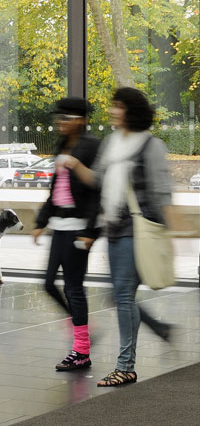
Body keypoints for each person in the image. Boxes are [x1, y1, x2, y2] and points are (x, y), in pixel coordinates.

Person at [63, 87, 175, 387]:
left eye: (118, 106)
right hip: (113, 228)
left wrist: (172, 232)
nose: (112, 110)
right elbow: (99, 180)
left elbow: (162, 192)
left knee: (123, 296)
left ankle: (125, 366)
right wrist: (73, 163)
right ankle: (139, 351)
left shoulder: (150, 146)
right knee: (119, 296)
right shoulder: (112, 143)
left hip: (136, 230)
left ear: (131, 111)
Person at [32, 97, 100, 372]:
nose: (60, 122)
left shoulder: (92, 146)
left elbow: (98, 192)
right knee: (49, 284)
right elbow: (56, 189)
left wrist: (90, 230)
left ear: (81, 120)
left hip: (78, 229)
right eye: (58, 118)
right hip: (59, 228)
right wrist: (41, 220)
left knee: (73, 289)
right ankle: (83, 330)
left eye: (66, 118)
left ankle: (81, 350)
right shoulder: (63, 146)